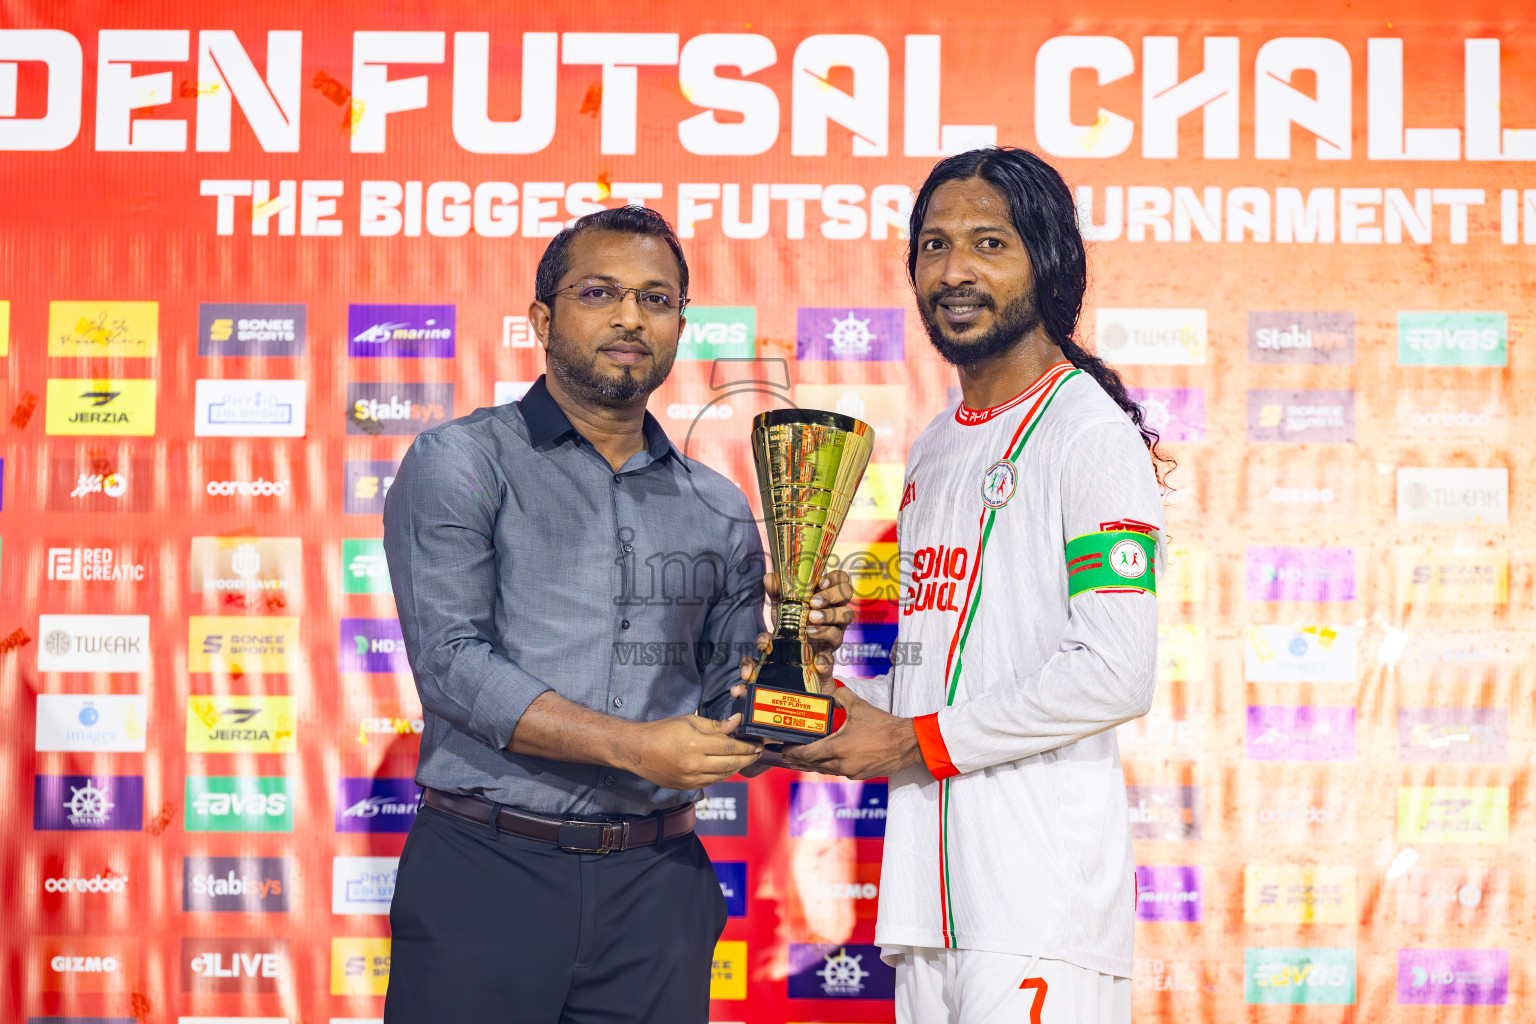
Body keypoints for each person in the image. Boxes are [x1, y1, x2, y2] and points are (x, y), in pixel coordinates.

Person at [380, 204, 852, 1024]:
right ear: (542, 317)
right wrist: (637, 746)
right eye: (599, 292)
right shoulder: (459, 460)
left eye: (657, 299)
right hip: (487, 876)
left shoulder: (722, 506)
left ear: (679, 324)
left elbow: (729, 722)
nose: (631, 316)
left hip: (656, 891)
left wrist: (804, 658)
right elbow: (452, 664)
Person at [783, 147, 1172, 1024]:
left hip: (1037, 907)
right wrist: (832, 703)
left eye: (989, 243)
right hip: (927, 905)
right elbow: (946, 677)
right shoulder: (935, 444)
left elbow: (1115, 671)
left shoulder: (1088, 432)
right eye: (933, 245)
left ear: (1048, 261)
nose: (954, 271)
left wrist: (908, 742)